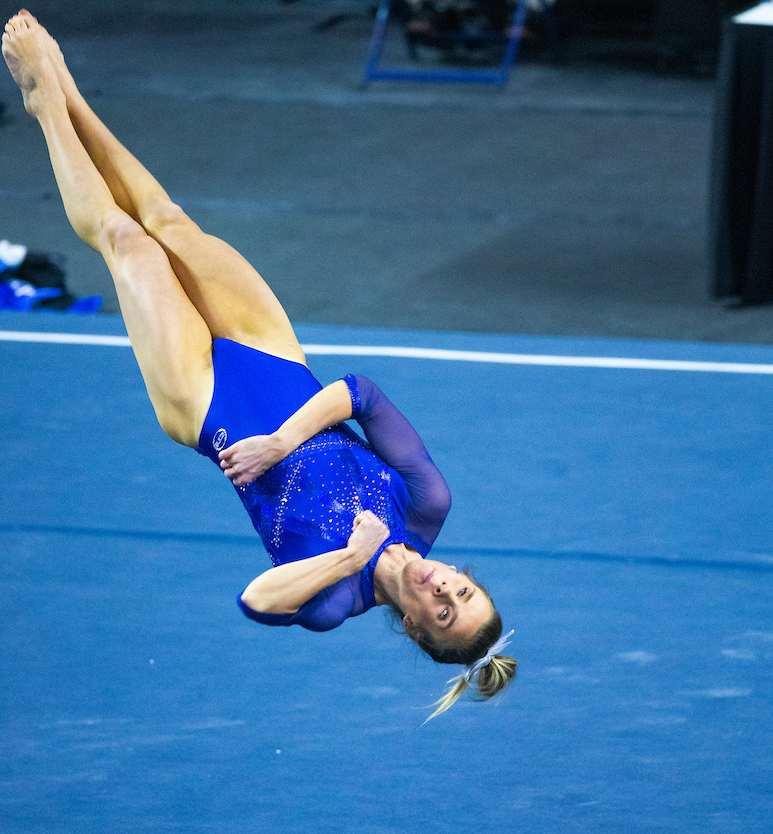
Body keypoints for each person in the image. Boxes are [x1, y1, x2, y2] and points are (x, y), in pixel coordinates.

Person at [2, 9, 516, 718]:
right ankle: (68, 87)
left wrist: (349, 557)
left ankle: (42, 103)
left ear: (420, 632)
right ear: (461, 573)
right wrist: (282, 440)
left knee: (130, 243)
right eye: (462, 589)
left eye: (445, 611)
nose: (443, 591)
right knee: (169, 219)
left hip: (204, 405)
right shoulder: (427, 505)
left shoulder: (337, 601)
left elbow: (256, 600)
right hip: (277, 364)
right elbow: (361, 393)